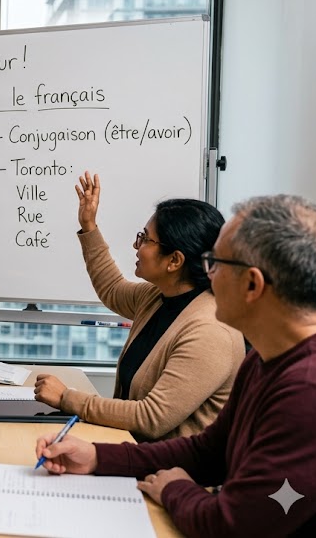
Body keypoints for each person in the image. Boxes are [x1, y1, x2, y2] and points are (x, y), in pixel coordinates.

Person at [36, 194, 316, 536]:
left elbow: (232, 525)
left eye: (216, 264)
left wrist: (174, 488)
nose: (208, 275)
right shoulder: (266, 360)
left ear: (252, 284)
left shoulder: (310, 391)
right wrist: (97, 457)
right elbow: (208, 452)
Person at [34, 172, 244, 441]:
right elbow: (112, 288)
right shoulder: (158, 297)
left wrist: (66, 398)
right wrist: (89, 227)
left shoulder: (211, 332)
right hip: (133, 453)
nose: (137, 246)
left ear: (175, 260)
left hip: (173, 474)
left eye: (145, 239)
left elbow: (151, 418)